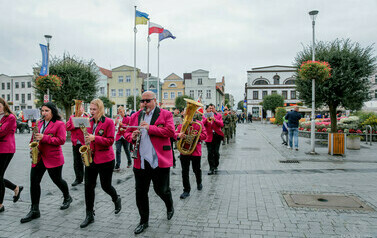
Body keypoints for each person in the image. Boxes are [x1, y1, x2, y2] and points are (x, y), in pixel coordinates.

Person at [125, 91, 175, 235]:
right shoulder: (135, 116)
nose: (145, 103)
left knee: (161, 190)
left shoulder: (165, 114)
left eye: (148, 101)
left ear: (155, 100)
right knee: (140, 192)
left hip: (158, 160)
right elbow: (127, 133)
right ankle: (143, 221)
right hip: (140, 161)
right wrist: (132, 136)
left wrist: (150, 128)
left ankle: (169, 204)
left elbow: (170, 132)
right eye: (143, 101)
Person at [21, 102, 72, 223]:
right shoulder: (39, 123)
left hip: (53, 158)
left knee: (57, 180)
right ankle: (34, 210)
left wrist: (44, 137)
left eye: (46, 111)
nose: (44, 113)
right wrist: (32, 148)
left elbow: (61, 140)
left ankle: (67, 197)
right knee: (34, 182)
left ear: (53, 112)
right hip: (38, 157)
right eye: (42, 111)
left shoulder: (59, 124)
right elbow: (34, 137)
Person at [80, 98, 121, 228]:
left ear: (100, 109)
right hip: (91, 158)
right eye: (90, 109)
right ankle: (89, 214)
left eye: (94, 109)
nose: (91, 112)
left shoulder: (108, 122)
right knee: (88, 187)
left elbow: (110, 141)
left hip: (106, 160)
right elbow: (84, 137)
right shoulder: (88, 122)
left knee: (105, 186)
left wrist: (95, 138)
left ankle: (116, 198)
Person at [175, 111, 207, 199]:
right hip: (184, 151)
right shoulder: (182, 125)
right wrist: (180, 135)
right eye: (186, 114)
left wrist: (195, 136)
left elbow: (204, 135)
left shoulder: (199, 124)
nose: (187, 116)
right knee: (184, 171)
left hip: (195, 151)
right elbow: (176, 134)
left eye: (189, 114)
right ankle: (186, 190)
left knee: (196, 169)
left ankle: (199, 182)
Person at [0, 98, 23, 213]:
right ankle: (15, 188)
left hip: (6, 149)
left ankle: (0, 204)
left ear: (4, 105)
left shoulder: (10, 117)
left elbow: (1, 132)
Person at [66, 103, 88, 186]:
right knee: (76, 162)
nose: (78, 110)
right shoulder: (72, 117)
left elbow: (89, 128)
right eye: (77, 109)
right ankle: (78, 179)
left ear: (83, 109)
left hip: (84, 142)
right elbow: (67, 127)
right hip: (75, 142)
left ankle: (88, 178)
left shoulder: (87, 117)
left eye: (80, 108)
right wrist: (75, 125)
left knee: (87, 161)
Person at [203, 104, 224, 175]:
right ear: (208, 109)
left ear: (215, 108)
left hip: (217, 136)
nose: (211, 109)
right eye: (210, 108)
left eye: (212, 108)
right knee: (210, 153)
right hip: (209, 136)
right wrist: (207, 118)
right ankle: (211, 168)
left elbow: (221, 124)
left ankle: (216, 165)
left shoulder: (219, 115)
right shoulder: (205, 115)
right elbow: (202, 123)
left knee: (216, 152)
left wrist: (215, 120)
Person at [114, 106, 132, 171]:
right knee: (118, 150)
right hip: (119, 136)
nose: (120, 113)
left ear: (124, 111)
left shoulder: (128, 118)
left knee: (126, 150)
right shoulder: (118, 118)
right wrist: (115, 123)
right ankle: (117, 165)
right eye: (119, 112)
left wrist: (122, 124)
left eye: (121, 112)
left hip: (125, 135)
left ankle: (129, 161)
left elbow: (129, 127)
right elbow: (115, 127)